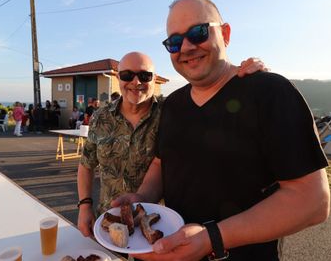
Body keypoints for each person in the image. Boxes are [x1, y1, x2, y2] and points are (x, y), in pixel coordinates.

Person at [112, 0, 330, 261]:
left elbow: (312, 201)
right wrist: (142, 197)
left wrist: (211, 238)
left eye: (198, 32)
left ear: (225, 33)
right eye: (175, 41)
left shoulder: (270, 92)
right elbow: (160, 163)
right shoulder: (172, 105)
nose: (187, 47)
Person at [76, 51, 266, 238]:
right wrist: (84, 206)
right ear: (118, 78)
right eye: (127, 75)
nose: (136, 82)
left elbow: (212, 101)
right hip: (110, 218)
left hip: (154, 222)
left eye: (144, 75)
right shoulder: (101, 117)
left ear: (154, 79)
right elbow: (86, 165)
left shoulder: (173, 111)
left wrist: (244, 75)